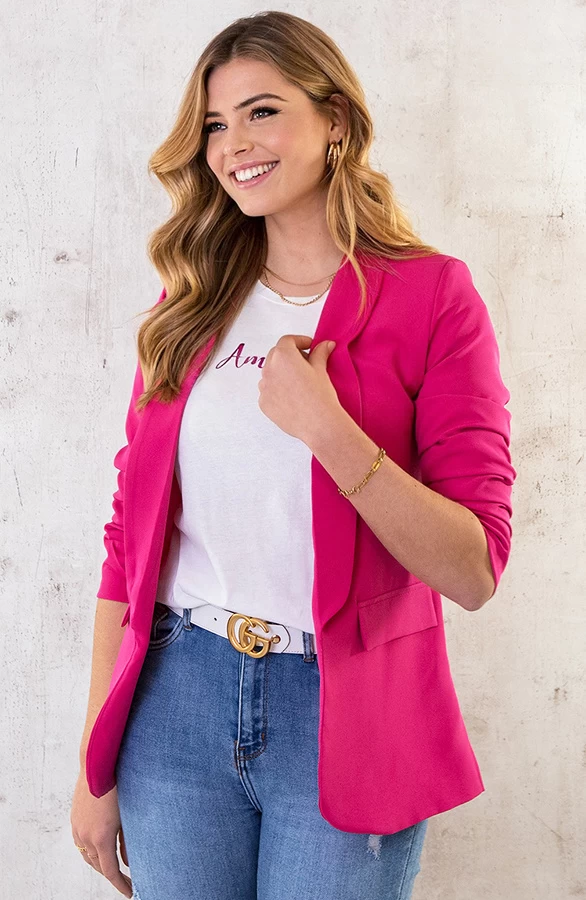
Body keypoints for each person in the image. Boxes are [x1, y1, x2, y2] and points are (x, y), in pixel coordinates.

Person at [70, 10, 516, 900]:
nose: (233, 144)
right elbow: (128, 543)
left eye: (262, 111)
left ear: (335, 119)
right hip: (174, 703)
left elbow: (473, 570)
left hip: (350, 712)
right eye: (214, 124)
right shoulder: (190, 303)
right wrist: (95, 761)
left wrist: (331, 433)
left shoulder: (433, 295)